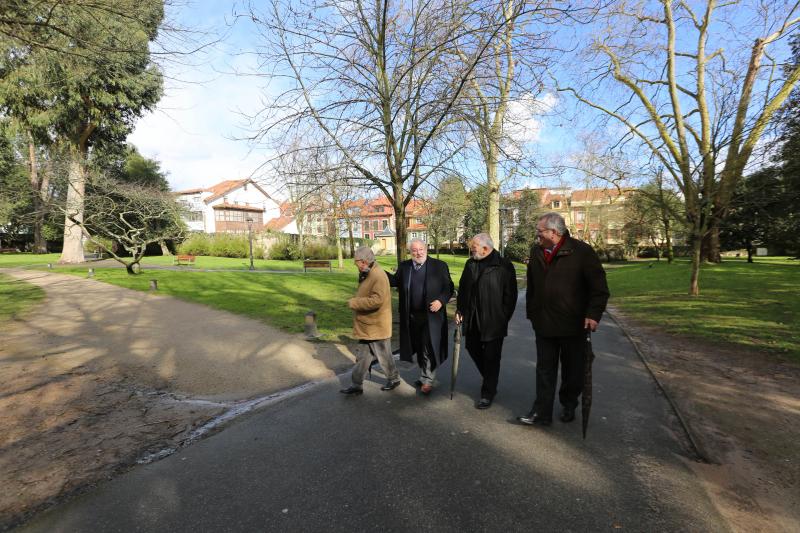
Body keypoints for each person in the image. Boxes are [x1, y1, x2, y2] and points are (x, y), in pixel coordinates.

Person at [517, 212, 609, 426]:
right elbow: (532, 285)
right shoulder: (537, 251)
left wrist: (593, 315)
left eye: (540, 231)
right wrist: (532, 312)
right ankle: (541, 412)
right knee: (544, 370)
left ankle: (569, 404)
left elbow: (600, 288)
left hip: (573, 326)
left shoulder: (582, 252)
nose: (537, 235)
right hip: (544, 324)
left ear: (554, 232)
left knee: (573, 372)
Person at [455, 233, 517, 409]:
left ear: (485, 247)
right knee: (471, 347)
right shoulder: (470, 263)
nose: (471, 248)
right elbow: (464, 289)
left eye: (474, 245)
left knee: (492, 357)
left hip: (493, 321)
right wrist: (460, 310)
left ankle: (487, 392)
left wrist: (503, 317)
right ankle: (491, 378)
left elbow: (510, 296)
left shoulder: (503, 265)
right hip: (473, 318)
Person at [386, 238, 454, 395]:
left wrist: (441, 301)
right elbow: (394, 281)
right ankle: (425, 375)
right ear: (410, 252)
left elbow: (448, 287)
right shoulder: (405, 267)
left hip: (432, 316)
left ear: (426, 249)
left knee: (428, 347)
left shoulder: (439, 266)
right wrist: (376, 269)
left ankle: (428, 380)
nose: (418, 253)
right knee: (417, 346)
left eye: (420, 249)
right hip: (411, 316)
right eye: (414, 250)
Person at [340, 247, 401, 395]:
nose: (356, 265)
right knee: (362, 356)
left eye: (357, 262)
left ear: (364, 261)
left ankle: (394, 379)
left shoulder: (378, 275)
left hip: (376, 325)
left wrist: (355, 303)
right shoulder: (368, 272)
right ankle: (356, 385)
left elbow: (377, 300)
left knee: (384, 355)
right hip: (368, 325)